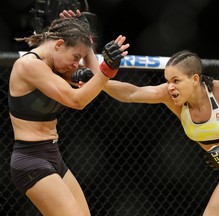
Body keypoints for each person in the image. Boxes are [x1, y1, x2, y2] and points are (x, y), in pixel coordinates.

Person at [95, 50, 219, 215]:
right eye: (167, 81)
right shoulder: (171, 97)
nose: (170, 86)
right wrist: (97, 81)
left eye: (176, 80)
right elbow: (131, 93)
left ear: (195, 79)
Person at [8, 9, 129, 216]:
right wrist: (108, 69)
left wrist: (87, 40)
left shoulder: (58, 66)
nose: (76, 64)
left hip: (53, 155)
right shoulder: (28, 66)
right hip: (31, 160)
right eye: (75, 57)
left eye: (79, 58)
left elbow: (94, 79)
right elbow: (77, 100)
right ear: (58, 45)